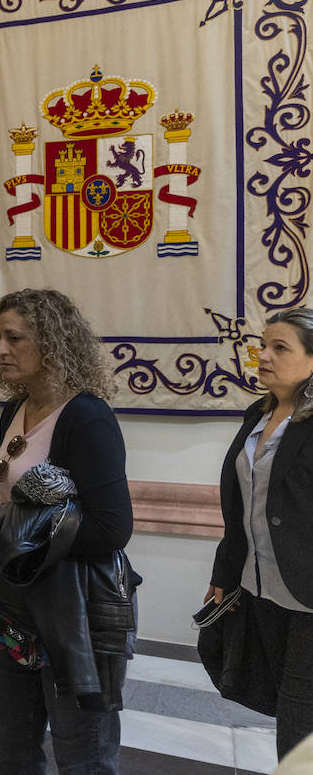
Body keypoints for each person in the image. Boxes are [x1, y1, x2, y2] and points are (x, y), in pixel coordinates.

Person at [0, 288, 135, 775]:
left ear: (54, 344)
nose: (0, 349)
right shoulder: (14, 410)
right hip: (18, 600)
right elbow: (26, 499)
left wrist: (13, 528)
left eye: (14, 338)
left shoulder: (86, 416)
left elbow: (112, 527)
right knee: (13, 745)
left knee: (83, 752)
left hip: (78, 609)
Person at [205, 306, 313, 759]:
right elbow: (241, 509)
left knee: (297, 716)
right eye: (262, 345)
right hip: (261, 587)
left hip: (309, 594)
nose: (262, 355)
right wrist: (225, 573)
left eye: (279, 348)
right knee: (281, 704)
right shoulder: (257, 414)